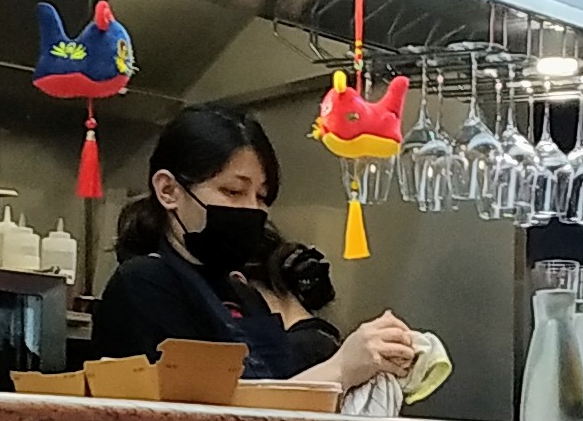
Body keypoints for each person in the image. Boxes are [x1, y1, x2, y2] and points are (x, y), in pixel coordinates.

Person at [90, 105, 419, 396]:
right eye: (233, 191)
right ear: (168, 190)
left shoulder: (244, 295)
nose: (252, 210)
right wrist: (342, 368)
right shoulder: (144, 284)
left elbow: (276, 399)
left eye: (261, 197)